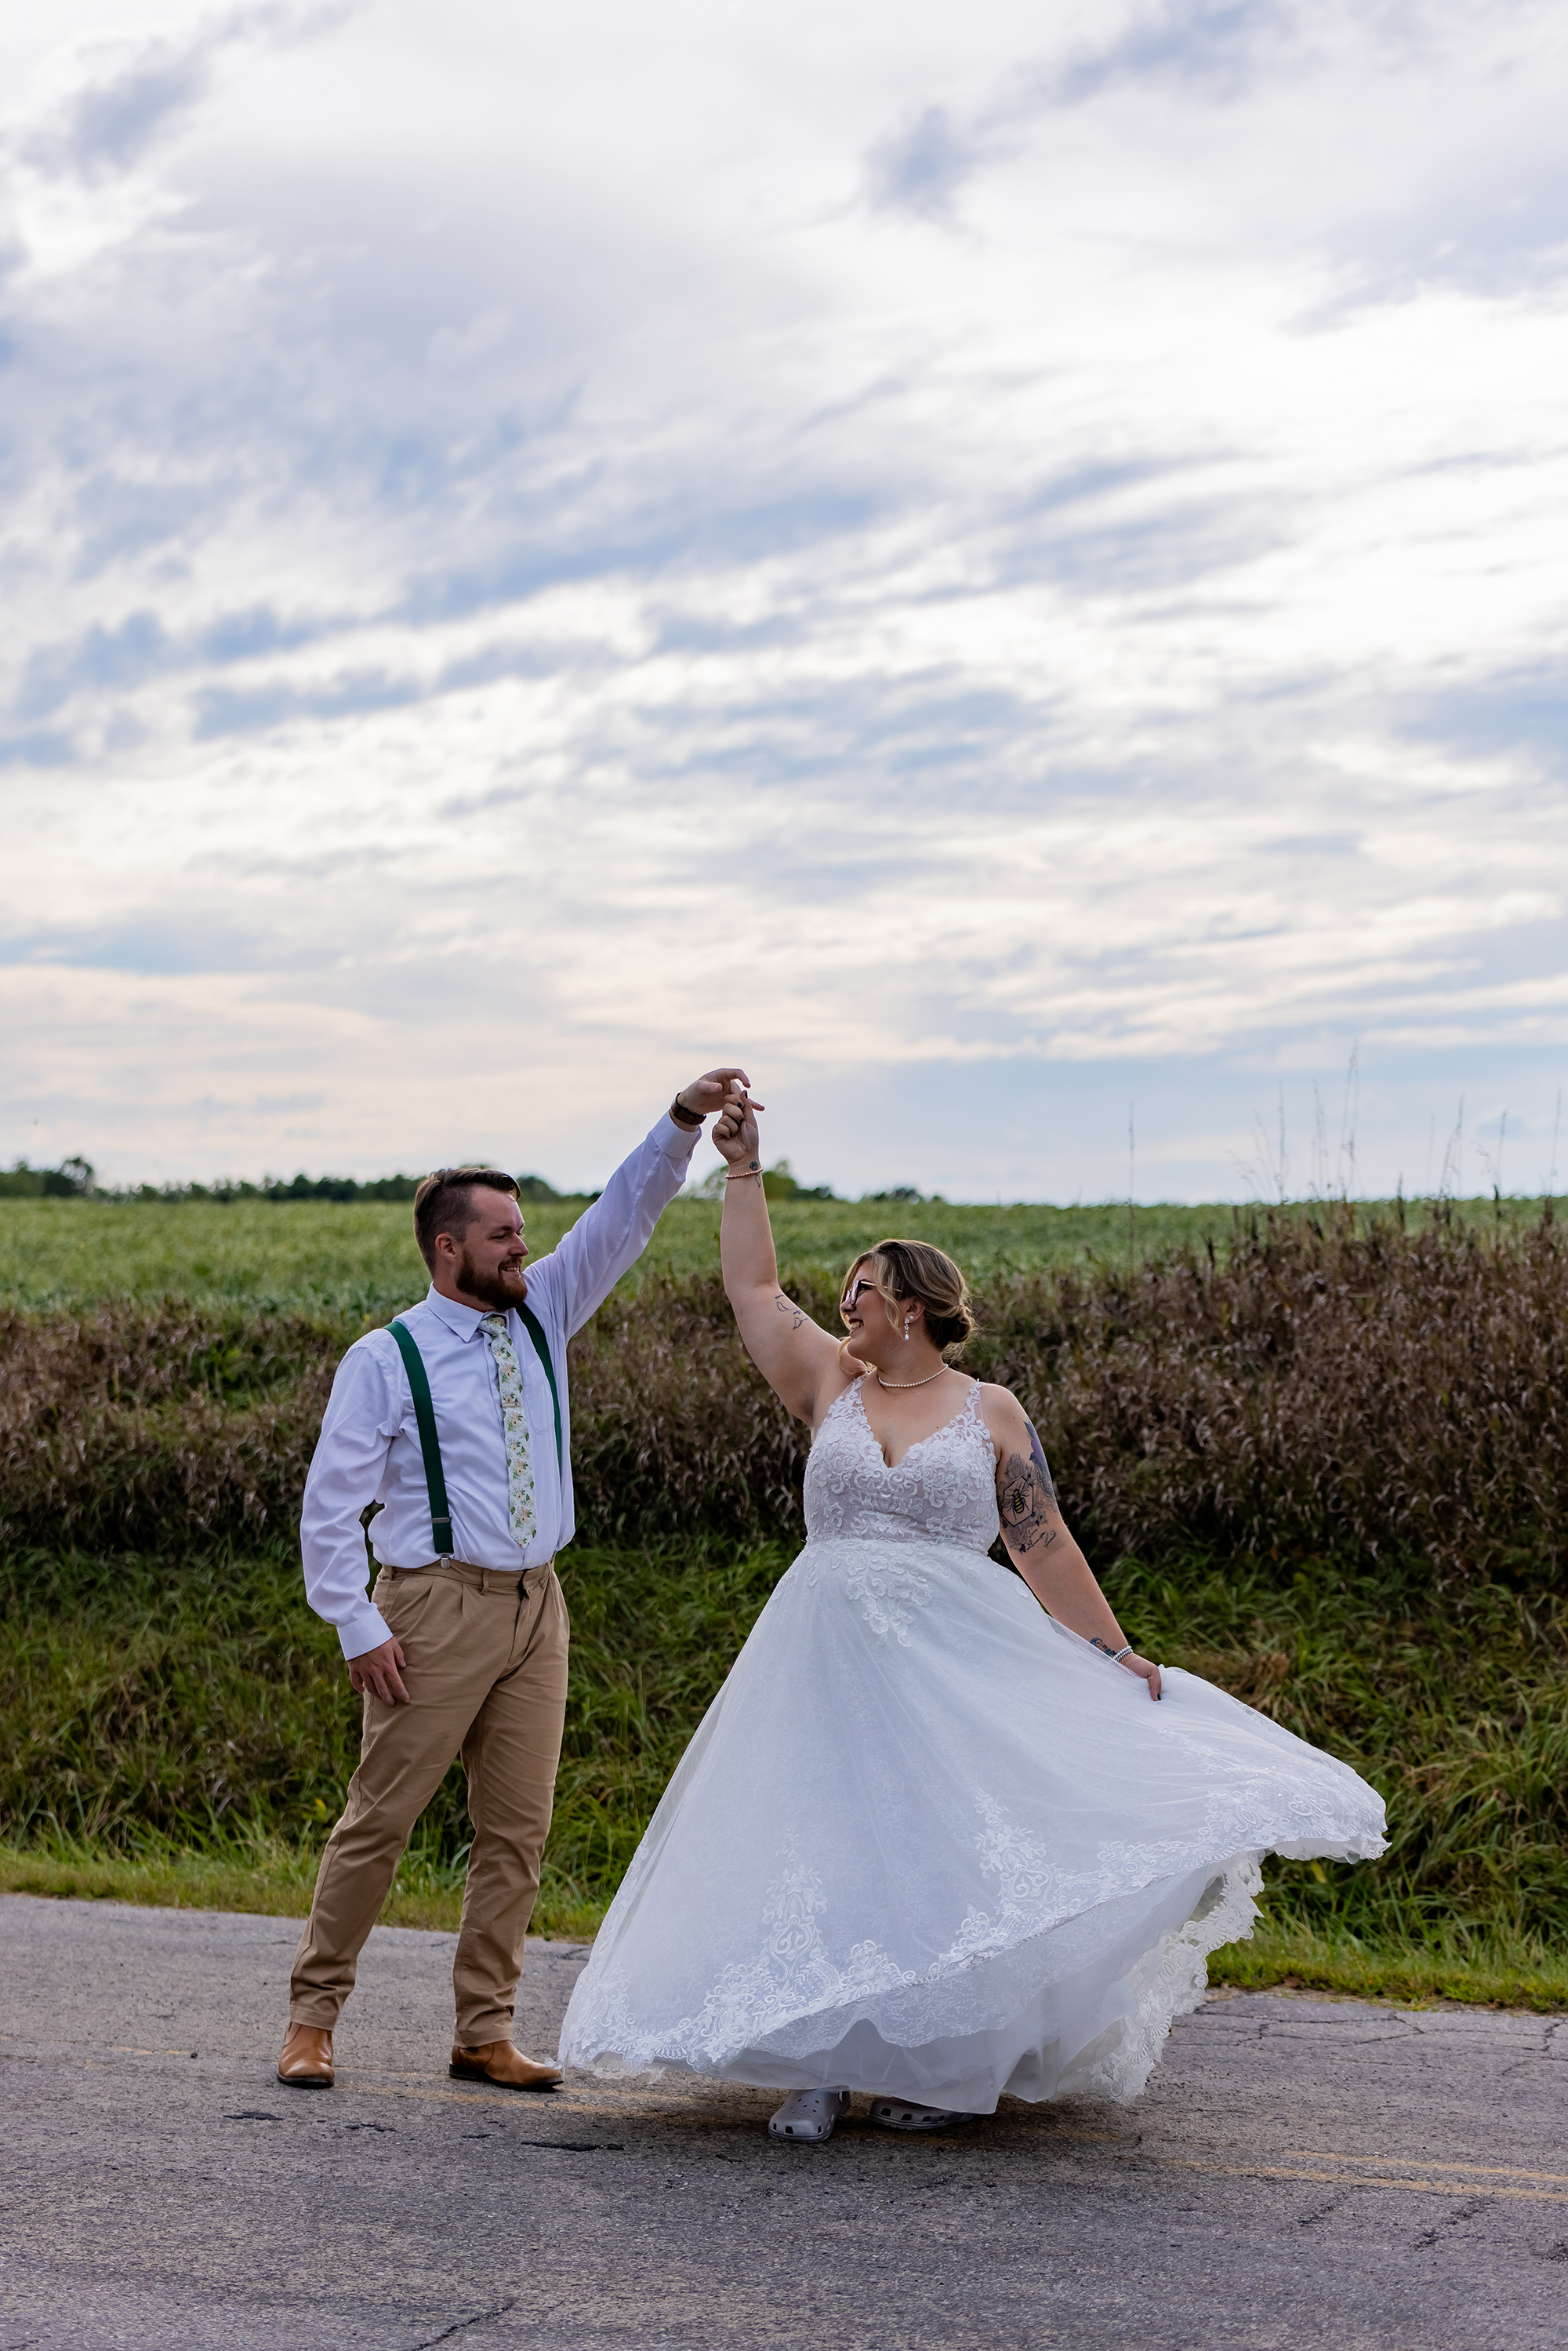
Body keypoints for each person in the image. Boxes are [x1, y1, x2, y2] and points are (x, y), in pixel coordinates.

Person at [560, 1091, 1385, 2140]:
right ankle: (817, 2067)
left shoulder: (990, 1409)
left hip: (950, 1661)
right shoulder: (828, 1382)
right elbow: (753, 1286)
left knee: (931, 1857)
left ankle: (934, 2063)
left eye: (862, 1288)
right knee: (822, 1843)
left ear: (911, 1305)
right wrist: (743, 1167)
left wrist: (1112, 1651)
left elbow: (1043, 1541)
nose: (844, 1302)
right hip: (823, 1654)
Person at [277, 1070, 751, 2091]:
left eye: (523, 1232)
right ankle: (312, 2019)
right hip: (431, 1607)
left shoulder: (544, 1312)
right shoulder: (387, 1358)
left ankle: (484, 2029)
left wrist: (680, 1123)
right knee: (380, 1820)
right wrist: (356, 1621)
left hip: (540, 1605)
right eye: (502, 1236)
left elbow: (623, 1216)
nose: (521, 1249)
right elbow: (329, 1507)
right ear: (449, 1248)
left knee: (517, 1834)